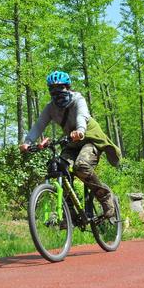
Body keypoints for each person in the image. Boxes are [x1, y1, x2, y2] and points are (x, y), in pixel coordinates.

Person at [19, 70, 121, 218]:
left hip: (90, 138)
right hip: (72, 142)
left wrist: (80, 130)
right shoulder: (50, 108)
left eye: (60, 88)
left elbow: (82, 115)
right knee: (60, 168)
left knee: (81, 166)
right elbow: (38, 126)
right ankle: (70, 211)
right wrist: (27, 143)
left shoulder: (77, 99)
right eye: (52, 90)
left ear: (68, 87)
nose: (56, 92)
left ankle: (105, 197)